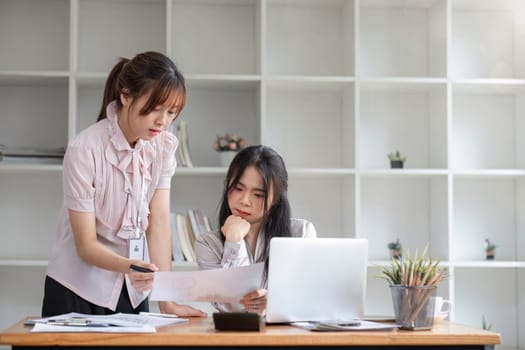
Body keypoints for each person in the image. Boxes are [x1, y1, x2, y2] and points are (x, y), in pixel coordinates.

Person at [42, 51, 205, 317]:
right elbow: (86, 245)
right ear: (126, 95)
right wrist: (132, 267)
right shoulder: (85, 149)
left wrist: (167, 301)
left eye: (172, 111)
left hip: (131, 288)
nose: (163, 121)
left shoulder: (163, 147)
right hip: (77, 289)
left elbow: (159, 223)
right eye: (155, 108)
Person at [195, 145, 317, 315]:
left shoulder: (301, 234)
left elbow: (311, 297)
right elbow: (231, 306)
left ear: (276, 198)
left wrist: (275, 302)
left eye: (258, 195)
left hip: (289, 336)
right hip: (234, 338)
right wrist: (234, 242)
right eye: (238, 189)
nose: (245, 200)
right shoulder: (208, 243)